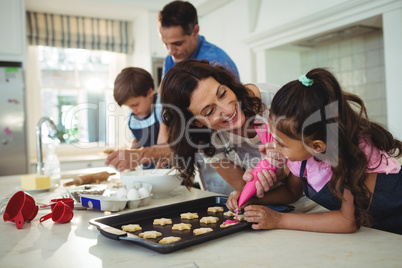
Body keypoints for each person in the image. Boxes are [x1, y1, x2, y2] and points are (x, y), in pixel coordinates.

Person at [227, 68, 402, 234]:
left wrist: (279, 220)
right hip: (377, 230)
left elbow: (348, 221)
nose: (274, 147)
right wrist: (251, 199)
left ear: (317, 146)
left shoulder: (354, 152)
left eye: (282, 144)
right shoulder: (302, 155)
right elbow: (291, 192)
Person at [160, 59, 288, 194]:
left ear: (225, 83)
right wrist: (251, 183)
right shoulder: (206, 142)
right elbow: (245, 188)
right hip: (272, 208)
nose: (227, 110)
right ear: (196, 123)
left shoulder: (275, 99)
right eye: (209, 111)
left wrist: (283, 172)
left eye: (222, 93)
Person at [105, 67, 170, 170]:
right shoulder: (133, 116)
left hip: (168, 167)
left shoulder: (161, 105)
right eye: (129, 107)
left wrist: (158, 172)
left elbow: (162, 144)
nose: (133, 110)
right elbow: (136, 141)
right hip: (148, 166)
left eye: (135, 105)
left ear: (149, 92)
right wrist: (129, 168)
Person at [158, 0, 240, 81]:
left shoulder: (217, 63)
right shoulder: (170, 59)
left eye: (178, 43)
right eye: (165, 43)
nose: (170, 52)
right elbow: (163, 93)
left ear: (195, 31)